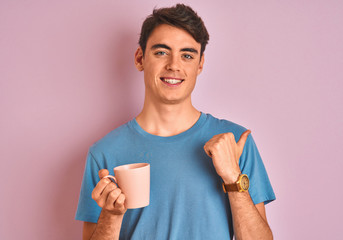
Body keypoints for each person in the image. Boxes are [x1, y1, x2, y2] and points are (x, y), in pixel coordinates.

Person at [75, 4, 276, 240]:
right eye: (161, 52)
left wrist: (233, 179)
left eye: (187, 55)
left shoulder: (234, 143)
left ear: (200, 64)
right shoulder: (104, 155)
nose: (174, 65)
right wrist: (111, 215)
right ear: (140, 58)